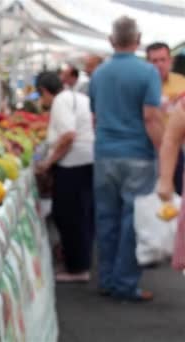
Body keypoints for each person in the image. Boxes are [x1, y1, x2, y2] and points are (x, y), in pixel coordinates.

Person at [89, 16, 163, 301]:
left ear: (111, 41)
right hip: (138, 155)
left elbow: (95, 116)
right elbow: (151, 118)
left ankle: (107, 279)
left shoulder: (99, 74)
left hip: (105, 153)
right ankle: (125, 283)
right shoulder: (148, 73)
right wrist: (163, 154)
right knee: (133, 221)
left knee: (106, 219)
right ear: (139, 39)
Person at [36, 71, 95, 282]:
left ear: (44, 91)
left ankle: (77, 268)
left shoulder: (61, 101)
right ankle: (79, 261)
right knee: (83, 214)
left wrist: (48, 162)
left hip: (72, 165)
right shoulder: (79, 96)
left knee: (69, 215)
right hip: (88, 161)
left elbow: (69, 135)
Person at [147, 42, 185, 196]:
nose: (159, 64)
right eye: (154, 61)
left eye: (163, 60)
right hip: (148, 147)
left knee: (176, 190)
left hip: (176, 147)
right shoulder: (142, 84)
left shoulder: (181, 81)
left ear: (170, 60)